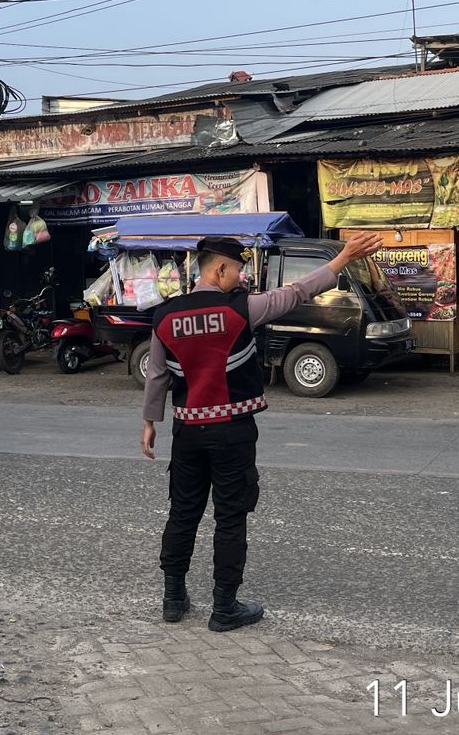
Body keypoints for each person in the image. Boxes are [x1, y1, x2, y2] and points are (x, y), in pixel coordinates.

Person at [140, 230, 386, 631]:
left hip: (188, 433)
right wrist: (342, 258)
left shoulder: (165, 316)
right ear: (220, 269)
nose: (241, 277)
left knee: (183, 513)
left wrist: (150, 423)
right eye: (237, 270)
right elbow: (297, 293)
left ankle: (172, 599)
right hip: (233, 431)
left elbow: (156, 375)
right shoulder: (242, 309)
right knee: (230, 517)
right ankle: (224, 607)